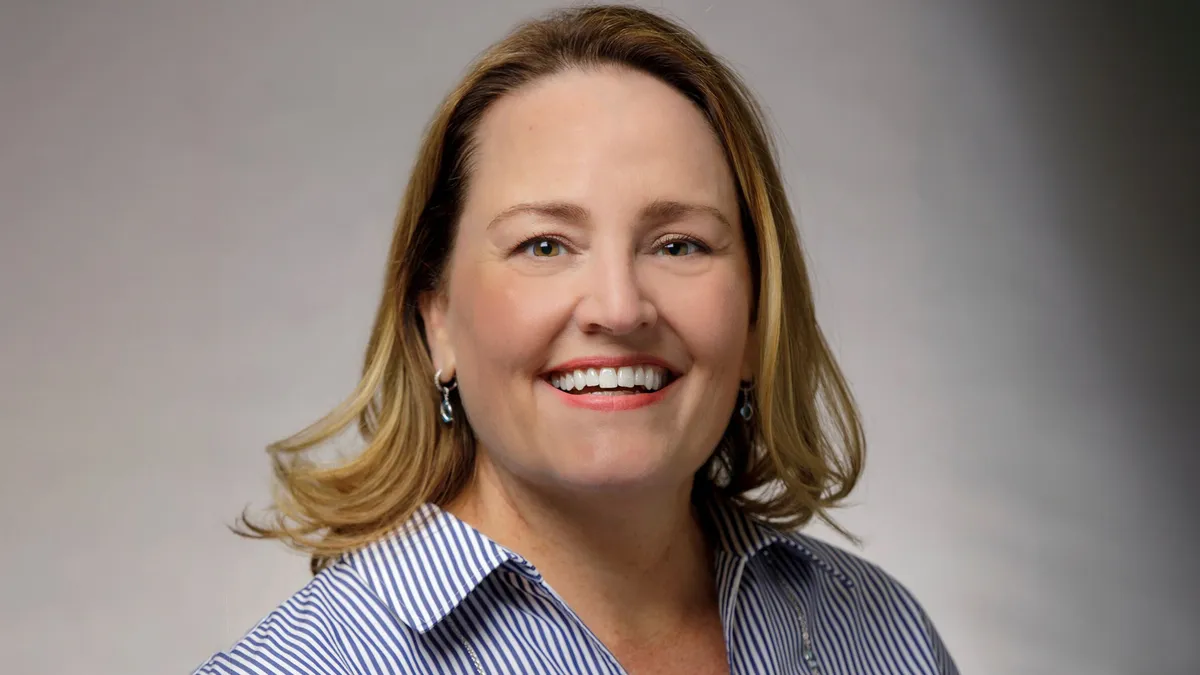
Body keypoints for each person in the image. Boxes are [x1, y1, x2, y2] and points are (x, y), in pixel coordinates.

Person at [194, 5, 958, 674]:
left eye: (679, 244)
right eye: (546, 246)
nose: (620, 308)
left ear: (759, 316)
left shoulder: (883, 636)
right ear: (437, 322)